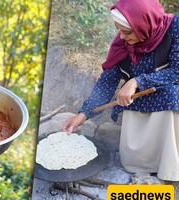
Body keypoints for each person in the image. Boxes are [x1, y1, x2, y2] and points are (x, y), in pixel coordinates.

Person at [63, 0, 179, 182]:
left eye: (126, 31)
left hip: (168, 95)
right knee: (133, 160)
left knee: (173, 95)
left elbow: (176, 71)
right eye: (119, 30)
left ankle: (168, 168)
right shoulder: (123, 43)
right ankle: (142, 164)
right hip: (138, 100)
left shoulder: (174, 29)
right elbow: (107, 82)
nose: (122, 37)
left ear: (143, 24)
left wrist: (137, 80)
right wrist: (84, 114)